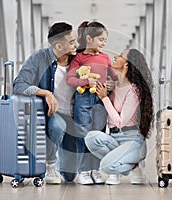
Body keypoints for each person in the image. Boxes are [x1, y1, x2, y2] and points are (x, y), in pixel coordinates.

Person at [13, 22, 79, 184]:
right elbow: (19, 85)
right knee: (57, 126)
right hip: (54, 114)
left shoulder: (78, 59)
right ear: (58, 45)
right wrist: (45, 92)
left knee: (70, 176)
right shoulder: (39, 58)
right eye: (71, 42)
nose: (76, 44)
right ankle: (50, 166)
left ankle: (61, 161)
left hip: (74, 116)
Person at [84, 49, 154, 185]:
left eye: (121, 55)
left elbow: (120, 122)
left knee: (105, 166)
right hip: (114, 137)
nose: (115, 56)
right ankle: (130, 166)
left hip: (132, 140)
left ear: (127, 65)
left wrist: (105, 98)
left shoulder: (134, 90)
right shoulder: (113, 86)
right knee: (91, 137)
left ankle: (131, 164)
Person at [66, 21, 117, 185]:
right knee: (83, 135)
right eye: (101, 40)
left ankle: (95, 170)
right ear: (89, 38)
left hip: (101, 98)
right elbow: (70, 79)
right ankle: (83, 171)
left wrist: (111, 84)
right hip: (84, 98)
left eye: (105, 40)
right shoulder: (79, 58)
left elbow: (114, 77)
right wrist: (85, 81)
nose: (103, 43)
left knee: (97, 135)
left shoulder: (105, 57)